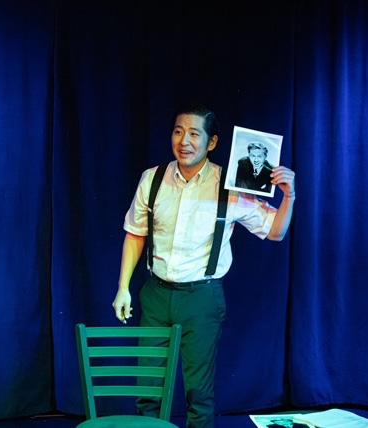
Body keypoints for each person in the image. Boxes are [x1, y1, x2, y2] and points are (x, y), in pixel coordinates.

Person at [112, 105, 295, 428]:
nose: (184, 141)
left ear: (211, 143)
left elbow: (275, 231)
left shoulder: (230, 184)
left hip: (202, 297)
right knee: (148, 389)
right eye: (178, 131)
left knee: (199, 393)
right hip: (156, 295)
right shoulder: (152, 179)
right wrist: (123, 287)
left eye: (194, 134)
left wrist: (289, 196)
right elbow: (135, 234)